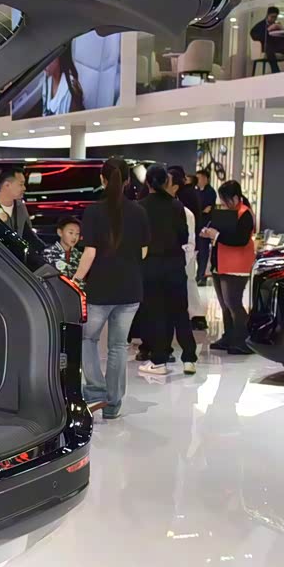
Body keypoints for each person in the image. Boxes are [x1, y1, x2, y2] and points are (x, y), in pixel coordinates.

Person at [75, 158, 150, 419]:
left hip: (101, 288)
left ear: (102, 179)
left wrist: (76, 279)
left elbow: (90, 252)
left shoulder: (93, 211)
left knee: (87, 339)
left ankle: (96, 391)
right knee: (118, 346)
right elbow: (144, 251)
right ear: (128, 180)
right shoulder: (139, 211)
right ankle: (113, 403)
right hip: (130, 288)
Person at [138, 165, 197, 376]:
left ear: (147, 182)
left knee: (156, 314)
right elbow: (183, 236)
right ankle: (189, 359)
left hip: (151, 265)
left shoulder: (141, 207)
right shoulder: (177, 205)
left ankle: (159, 361)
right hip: (174, 264)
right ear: (166, 182)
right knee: (180, 311)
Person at [201, 180, 257, 355]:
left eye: (226, 199)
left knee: (233, 303)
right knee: (225, 304)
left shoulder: (245, 214)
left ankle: (244, 340)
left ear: (235, 197)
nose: (223, 203)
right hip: (221, 264)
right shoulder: (228, 213)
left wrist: (217, 235)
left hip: (236, 265)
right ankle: (229, 336)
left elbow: (240, 239)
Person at [169, 165, 205, 332]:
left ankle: (193, 316)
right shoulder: (191, 193)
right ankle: (195, 316)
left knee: (188, 281)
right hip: (189, 246)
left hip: (184, 249)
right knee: (189, 281)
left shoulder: (183, 200)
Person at [0, 166, 33, 241]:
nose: (24, 188)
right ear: (7, 185)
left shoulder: (20, 207)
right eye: (21, 184)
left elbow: (29, 235)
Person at [43, 51, 83, 115]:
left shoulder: (71, 91)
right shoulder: (47, 80)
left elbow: (75, 120)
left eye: (48, 57)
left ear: (59, 56)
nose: (43, 63)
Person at [194, 168, 217, 284]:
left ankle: (202, 275)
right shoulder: (196, 191)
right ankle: (199, 274)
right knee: (198, 251)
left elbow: (207, 209)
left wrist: (200, 211)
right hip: (197, 224)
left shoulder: (210, 192)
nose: (198, 180)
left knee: (203, 251)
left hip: (206, 225)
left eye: (199, 178)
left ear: (205, 179)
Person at [250, 5, 284, 72]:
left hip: (276, 46)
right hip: (264, 46)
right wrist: (268, 29)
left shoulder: (276, 25)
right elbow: (253, 35)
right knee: (269, 48)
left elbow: (282, 38)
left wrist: (282, 29)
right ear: (267, 15)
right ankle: (275, 70)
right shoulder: (260, 25)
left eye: (275, 17)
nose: (273, 19)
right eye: (272, 17)